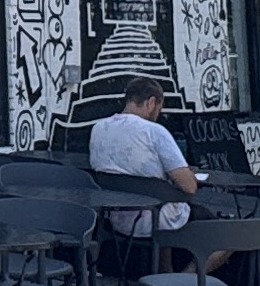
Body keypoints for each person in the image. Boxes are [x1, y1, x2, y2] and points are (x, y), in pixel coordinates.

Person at [87, 75, 230, 274]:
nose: (159, 113)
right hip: (155, 219)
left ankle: (166, 275)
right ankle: (185, 280)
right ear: (151, 102)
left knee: (163, 199)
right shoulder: (154, 132)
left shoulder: (98, 129)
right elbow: (190, 187)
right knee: (228, 235)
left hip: (115, 220)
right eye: (159, 108)